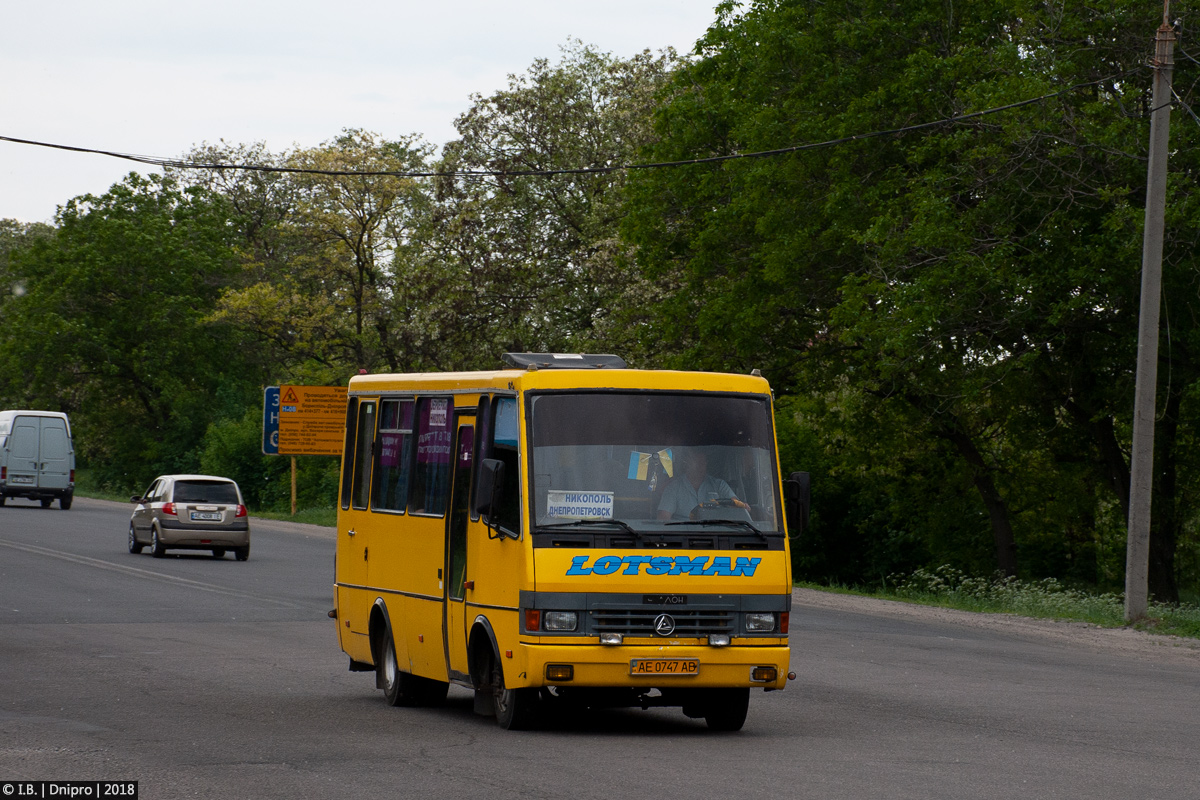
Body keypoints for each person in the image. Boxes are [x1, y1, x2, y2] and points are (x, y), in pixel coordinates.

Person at [657, 450, 749, 520]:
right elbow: (664, 518)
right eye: (697, 462)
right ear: (687, 464)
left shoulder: (719, 485)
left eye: (703, 462)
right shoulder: (673, 487)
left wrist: (741, 506)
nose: (700, 466)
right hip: (684, 536)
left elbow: (734, 504)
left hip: (717, 535)